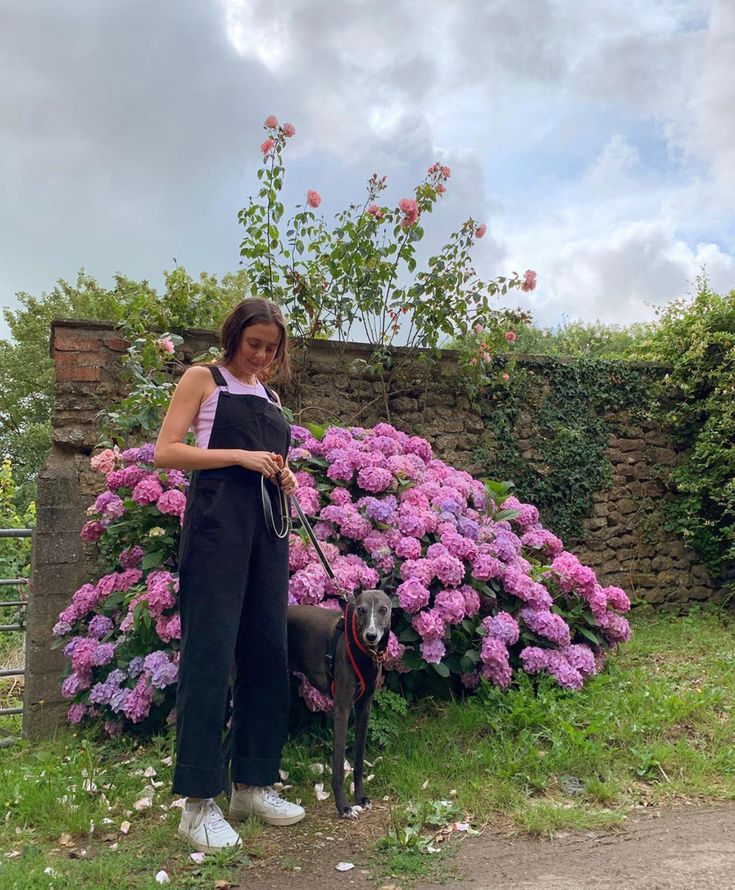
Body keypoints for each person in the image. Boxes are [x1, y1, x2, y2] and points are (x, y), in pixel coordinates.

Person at [154, 297, 305, 853]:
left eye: (272, 348)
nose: (263, 356)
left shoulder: (270, 395)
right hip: (218, 530)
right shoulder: (203, 377)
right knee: (210, 655)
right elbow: (166, 452)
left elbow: (268, 459)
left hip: (268, 533)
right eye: (254, 344)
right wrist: (240, 456)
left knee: (268, 652)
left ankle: (252, 785)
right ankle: (197, 804)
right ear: (234, 336)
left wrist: (284, 476)